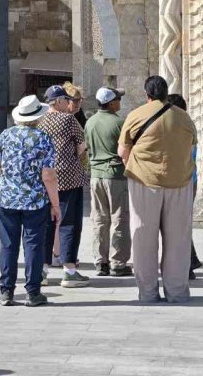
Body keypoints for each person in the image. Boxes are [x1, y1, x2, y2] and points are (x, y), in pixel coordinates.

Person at [119, 75, 196, 304]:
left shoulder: (136, 115)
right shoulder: (184, 117)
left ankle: (148, 292)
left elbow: (123, 152)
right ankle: (177, 292)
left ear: (147, 94)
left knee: (143, 237)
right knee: (178, 239)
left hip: (144, 182)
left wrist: (139, 168)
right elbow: (191, 146)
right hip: (179, 182)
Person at [0, 95, 61, 307]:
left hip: (6, 198)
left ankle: (6, 292)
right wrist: (55, 205)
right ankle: (33, 292)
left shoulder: (5, 135)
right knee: (34, 245)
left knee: (8, 245)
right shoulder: (43, 138)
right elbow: (48, 175)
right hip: (34, 200)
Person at [40, 84, 90, 288]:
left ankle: (41, 271)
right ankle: (69, 271)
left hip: (45, 178)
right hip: (69, 178)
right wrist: (75, 161)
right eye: (65, 100)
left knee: (46, 224)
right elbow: (81, 144)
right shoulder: (68, 119)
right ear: (59, 101)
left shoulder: (40, 121)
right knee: (69, 223)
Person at [85, 86, 131, 277]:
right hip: (115, 175)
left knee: (99, 218)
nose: (120, 102)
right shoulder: (119, 122)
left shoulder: (90, 122)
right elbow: (126, 149)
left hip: (96, 175)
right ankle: (117, 262)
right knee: (118, 217)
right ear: (111, 103)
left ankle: (100, 261)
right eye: (118, 99)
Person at [167, 93, 201, 280]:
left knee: (177, 224)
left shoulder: (180, 126)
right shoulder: (187, 124)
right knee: (180, 223)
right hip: (188, 179)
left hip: (181, 180)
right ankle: (189, 261)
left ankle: (186, 263)